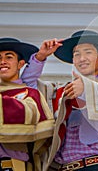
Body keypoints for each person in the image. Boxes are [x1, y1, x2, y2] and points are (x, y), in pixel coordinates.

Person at [43, 30, 98, 171]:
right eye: (76, 54)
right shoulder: (62, 91)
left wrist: (86, 87)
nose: (82, 58)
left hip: (94, 165)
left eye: (88, 52)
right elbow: (30, 90)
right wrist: (40, 57)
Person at [0, 37, 56, 171]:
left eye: (9, 57)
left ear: (20, 64)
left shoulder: (29, 93)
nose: (2, 62)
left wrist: (40, 56)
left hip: (13, 166)